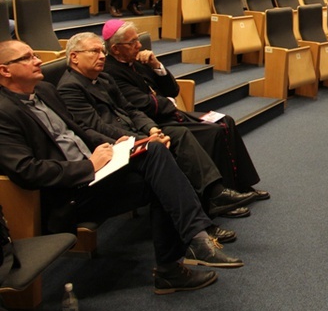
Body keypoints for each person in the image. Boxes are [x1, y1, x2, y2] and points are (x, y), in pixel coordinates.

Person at [0, 40, 242, 294]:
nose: (38, 60)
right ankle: (189, 248)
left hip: (97, 170)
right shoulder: (4, 112)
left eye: (35, 54)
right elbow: (27, 170)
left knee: (156, 153)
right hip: (69, 194)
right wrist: (88, 166)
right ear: (5, 70)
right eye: (27, 58)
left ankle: (190, 246)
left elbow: (79, 130)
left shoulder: (45, 91)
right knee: (161, 176)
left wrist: (119, 144)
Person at [58, 32, 259, 220]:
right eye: (95, 51)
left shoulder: (103, 78)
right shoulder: (70, 87)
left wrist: (152, 129)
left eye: (102, 51)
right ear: (74, 57)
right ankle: (203, 216)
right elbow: (97, 127)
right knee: (169, 149)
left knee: (180, 135)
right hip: (114, 146)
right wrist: (142, 139)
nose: (102, 56)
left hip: (139, 131)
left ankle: (215, 194)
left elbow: (131, 109)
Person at [102, 20, 269, 198]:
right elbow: (144, 104)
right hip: (157, 122)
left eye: (137, 40)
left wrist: (156, 65)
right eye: (132, 42)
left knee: (225, 120)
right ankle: (222, 194)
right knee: (214, 131)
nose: (139, 45)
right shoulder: (111, 72)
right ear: (115, 49)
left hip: (171, 114)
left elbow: (173, 90)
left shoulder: (139, 60)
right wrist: (170, 102)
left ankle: (242, 185)